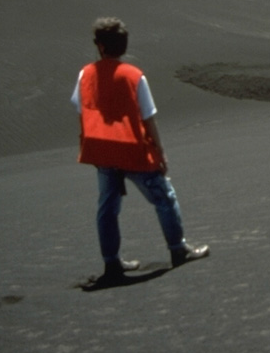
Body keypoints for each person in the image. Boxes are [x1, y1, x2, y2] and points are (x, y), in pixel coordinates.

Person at [72, 17, 209, 278]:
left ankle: (111, 262)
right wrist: (159, 152)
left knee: (108, 207)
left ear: (100, 46)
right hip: (131, 148)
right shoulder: (134, 76)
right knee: (164, 196)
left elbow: (81, 107)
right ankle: (178, 249)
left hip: (101, 150)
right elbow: (148, 117)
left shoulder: (85, 75)